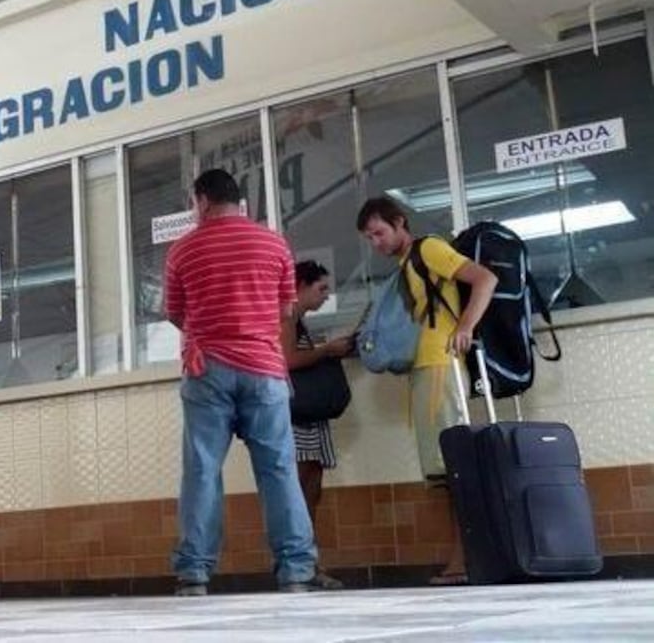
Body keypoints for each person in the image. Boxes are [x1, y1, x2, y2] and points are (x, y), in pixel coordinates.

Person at [164, 169, 320, 596]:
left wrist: (211, 327)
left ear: (202, 200)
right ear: (237, 201)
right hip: (264, 369)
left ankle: (194, 572)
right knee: (278, 470)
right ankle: (296, 569)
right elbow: (287, 308)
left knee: (201, 470)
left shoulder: (183, 249)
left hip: (207, 369)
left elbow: (175, 313)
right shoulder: (274, 243)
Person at [357, 195, 498, 586]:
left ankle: (465, 559)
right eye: (369, 238)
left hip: (441, 364)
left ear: (401, 222)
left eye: (379, 233)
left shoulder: (429, 249)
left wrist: (465, 327)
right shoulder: (407, 264)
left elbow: (485, 278)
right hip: (424, 368)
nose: (376, 243)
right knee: (441, 470)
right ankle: (462, 556)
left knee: (452, 466)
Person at [281, 260, 352, 591]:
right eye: (320, 288)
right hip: (296, 416)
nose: (325, 296)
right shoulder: (286, 316)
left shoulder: (299, 321)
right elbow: (288, 360)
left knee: (312, 489)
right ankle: (300, 562)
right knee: (300, 489)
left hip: (308, 415)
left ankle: (308, 561)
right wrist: (327, 350)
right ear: (300, 286)